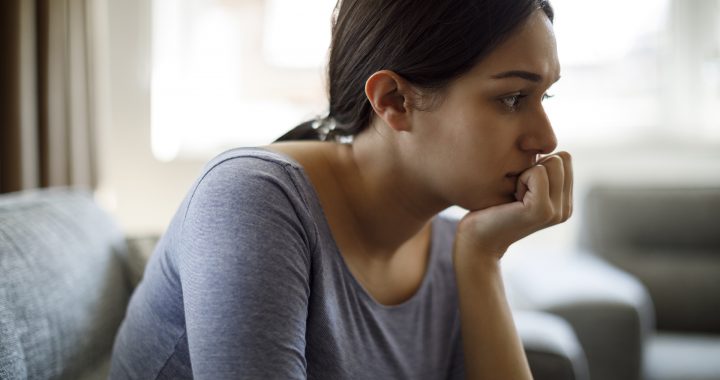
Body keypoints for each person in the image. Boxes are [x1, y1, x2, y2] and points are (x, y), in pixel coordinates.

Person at [109, 0, 572, 378]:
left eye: (544, 96)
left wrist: (481, 261)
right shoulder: (254, 200)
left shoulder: (454, 247)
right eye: (512, 98)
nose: (547, 139)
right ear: (394, 101)